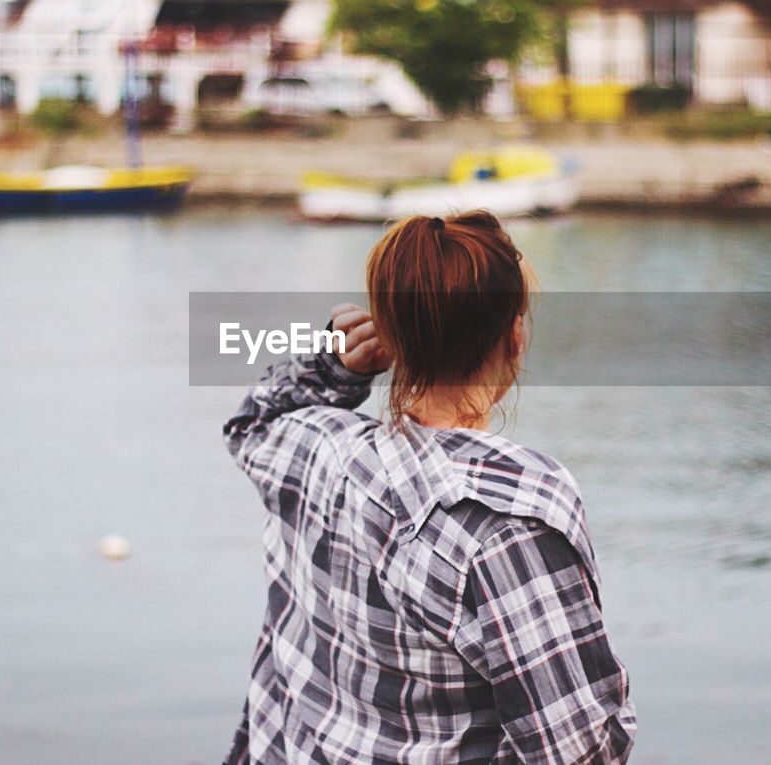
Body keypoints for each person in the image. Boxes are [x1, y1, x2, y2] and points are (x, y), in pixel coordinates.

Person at [222, 211, 636, 763]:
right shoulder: (507, 526)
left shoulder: (316, 451)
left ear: (393, 339)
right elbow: (578, 750)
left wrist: (335, 365)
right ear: (514, 337)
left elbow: (252, 424)